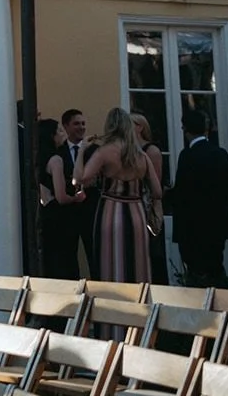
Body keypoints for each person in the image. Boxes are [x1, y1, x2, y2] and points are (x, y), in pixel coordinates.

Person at [76, 106, 162, 285]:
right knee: (138, 266)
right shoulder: (142, 156)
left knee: (111, 264)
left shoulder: (104, 152)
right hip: (137, 214)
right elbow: (157, 191)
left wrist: (82, 150)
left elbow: (79, 180)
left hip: (110, 211)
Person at [167, 107, 228, 289]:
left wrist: (166, 196)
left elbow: (182, 192)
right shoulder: (219, 153)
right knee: (216, 268)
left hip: (192, 227)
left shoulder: (187, 156)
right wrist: (222, 204)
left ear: (186, 130)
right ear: (206, 129)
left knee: (196, 273)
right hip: (216, 225)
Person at [37, 117, 85, 280]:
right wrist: (76, 198)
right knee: (65, 259)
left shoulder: (40, 159)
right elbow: (61, 196)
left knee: (52, 259)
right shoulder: (56, 160)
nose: (62, 134)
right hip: (60, 217)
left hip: (46, 214)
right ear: (51, 136)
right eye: (59, 131)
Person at [131, 111, 169, 285]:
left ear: (139, 127)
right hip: (134, 206)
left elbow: (156, 184)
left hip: (147, 207)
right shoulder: (129, 150)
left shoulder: (151, 150)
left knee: (152, 253)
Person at [58, 109, 97, 275]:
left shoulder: (95, 150)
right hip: (67, 212)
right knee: (68, 256)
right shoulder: (58, 151)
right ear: (66, 126)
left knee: (94, 253)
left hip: (90, 209)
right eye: (76, 124)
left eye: (83, 123)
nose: (81, 127)